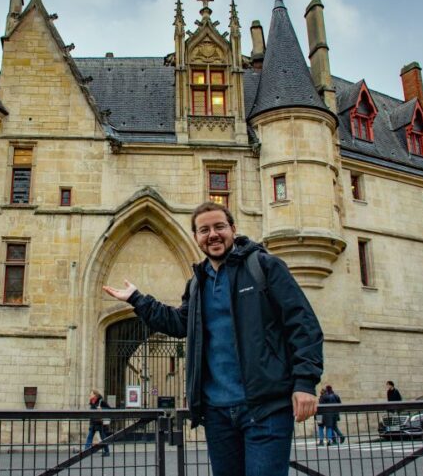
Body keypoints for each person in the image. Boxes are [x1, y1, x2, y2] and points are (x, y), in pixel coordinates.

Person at [103, 202, 324, 476]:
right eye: (204, 230)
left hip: (264, 408)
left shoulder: (264, 266)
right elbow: (179, 323)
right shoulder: (198, 282)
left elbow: (302, 323)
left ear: (233, 229)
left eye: (219, 227)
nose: (213, 235)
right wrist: (138, 299)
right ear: (196, 237)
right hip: (217, 413)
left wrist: (305, 382)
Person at [83, 389, 111, 456]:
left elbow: (109, 409)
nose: (90, 395)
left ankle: (107, 452)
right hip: (93, 422)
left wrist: (102, 409)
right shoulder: (92, 402)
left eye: (91, 394)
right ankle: (86, 451)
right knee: (89, 437)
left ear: (95, 395)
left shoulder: (101, 401)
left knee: (103, 438)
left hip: (100, 423)